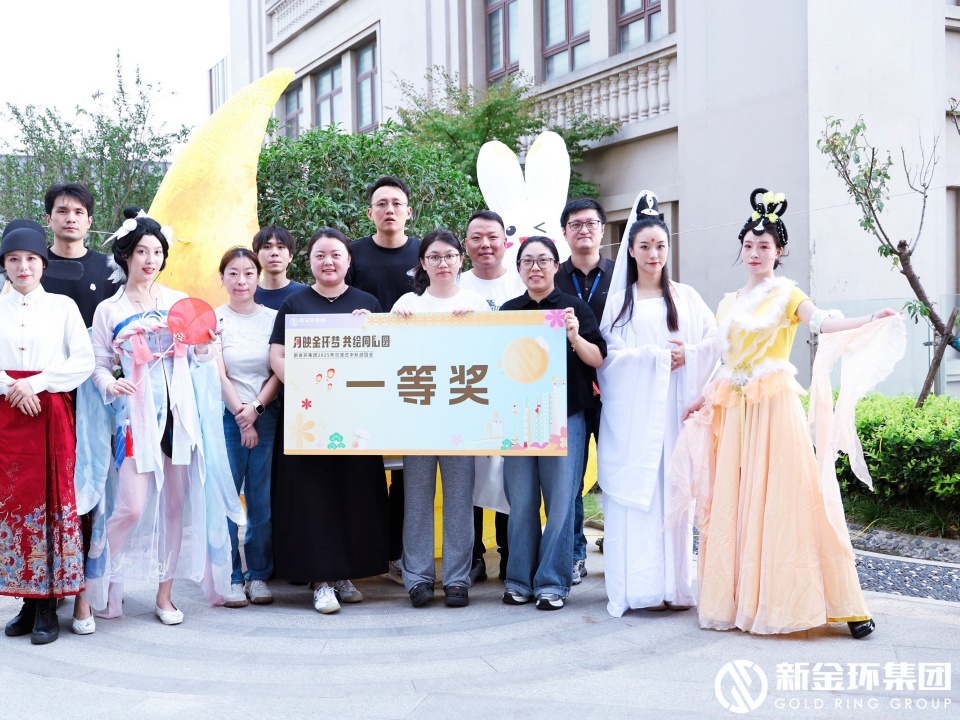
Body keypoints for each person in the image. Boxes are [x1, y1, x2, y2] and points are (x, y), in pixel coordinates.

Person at [676, 189, 900, 638]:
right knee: (736, 502)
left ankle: (843, 605)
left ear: (779, 251)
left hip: (774, 408)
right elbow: (725, 359)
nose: (755, 253)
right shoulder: (728, 301)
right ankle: (742, 600)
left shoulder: (788, 294)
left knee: (792, 499)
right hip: (734, 412)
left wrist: (867, 320)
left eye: (764, 246)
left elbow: (823, 323)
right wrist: (702, 396)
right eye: (749, 245)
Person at [86, 208, 242, 625]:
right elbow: (98, 365)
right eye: (141, 251)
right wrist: (110, 384)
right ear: (126, 255)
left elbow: (200, 357)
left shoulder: (177, 301)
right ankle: (99, 585)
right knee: (130, 507)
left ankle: (165, 595)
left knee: (175, 506)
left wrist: (208, 345)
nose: (150, 259)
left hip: (179, 415)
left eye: (157, 252)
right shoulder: (109, 310)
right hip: (135, 418)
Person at [596, 191, 717, 617]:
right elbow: (609, 359)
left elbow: (716, 343)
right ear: (630, 249)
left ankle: (675, 588)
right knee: (640, 500)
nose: (653, 254)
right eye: (644, 246)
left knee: (674, 495)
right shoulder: (619, 303)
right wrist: (656, 357)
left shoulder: (687, 298)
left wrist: (689, 354)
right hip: (637, 417)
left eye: (660, 246)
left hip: (676, 414)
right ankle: (640, 589)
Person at [269, 228, 389, 614]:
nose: (328, 262)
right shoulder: (294, 303)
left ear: (348, 260)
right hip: (307, 417)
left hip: (353, 417)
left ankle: (344, 574)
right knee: (313, 498)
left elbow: (385, 356)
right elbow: (277, 356)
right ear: (309, 262)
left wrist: (371, 328)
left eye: (336, 254)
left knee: (352, 494)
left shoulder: (367, 303)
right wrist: (308, 385)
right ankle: (321, 581)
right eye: (320, 255)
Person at [0, 222, 94, 645]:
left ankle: (48, 606)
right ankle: (25, 600)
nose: (23, 266)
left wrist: (35, 384)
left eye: (31, 259)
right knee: (13, 505)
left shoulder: (62, 307)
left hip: (49, 411)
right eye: (14, 259)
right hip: (6, 414)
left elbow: (84, 361)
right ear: (4, 264)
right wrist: (11, 387)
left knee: (52, 502)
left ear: (43, 264)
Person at [500, 237, 606, 610]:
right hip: (518, 417)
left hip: (565, 415)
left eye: (543, 260)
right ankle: (518, 580)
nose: (535, 267)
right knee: (521, 501)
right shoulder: (509, 312)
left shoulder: (574, 309)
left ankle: (552, 583)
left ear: (556, 266)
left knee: (560, 502)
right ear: (518, 269)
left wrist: (574, 336)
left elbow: (597, 358)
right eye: (527, 261)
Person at [391, 229, 489, 607]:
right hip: (417, 415)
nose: (442, 263)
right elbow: (389, 354)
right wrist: (389, 322)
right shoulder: (407, 303)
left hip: (461, 415)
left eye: (449, 255)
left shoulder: (476, 303)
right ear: (422, 263)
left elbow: (492, 355)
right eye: (434, 257)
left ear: (460, 260)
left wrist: (477, 326)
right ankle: (417, 578)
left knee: (459, 500)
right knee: (416, 499)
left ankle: (456, 579)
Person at [347, 176, 422, 584]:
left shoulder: (424, 253)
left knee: (409, 472)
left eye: (396, 203)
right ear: (370, 212)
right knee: (364, 465)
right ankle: (363, 554)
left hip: (415, 377)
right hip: (367, 377)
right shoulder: (353, 254)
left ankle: (397, 554)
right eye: (381, 203)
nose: (389, 209)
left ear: (409, 211)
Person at [458, 209, 524, 583]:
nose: (485, 244)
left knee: (508, 476)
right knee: (468, 476)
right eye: (477, 237)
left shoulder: (521, 282)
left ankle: (510, 552)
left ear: (505, 242)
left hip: (512, 394)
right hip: (466, 393)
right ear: (465, 244)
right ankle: (472, 557)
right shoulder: (455, 283)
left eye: (492, 237)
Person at [215, 248, 281, 608]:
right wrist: (241, 415)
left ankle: (258, 574)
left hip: (265, 413)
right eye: (233, 273)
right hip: (227, 417)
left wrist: (255, 409)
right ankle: (231, 576)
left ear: (258, 277)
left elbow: (277, 371)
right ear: (222, 278)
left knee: (260, 499)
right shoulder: (214, 319)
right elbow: (217, 372)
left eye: (248, 273)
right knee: (227, 497)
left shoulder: (273, 318)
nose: (241, 281)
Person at [554, 198, 614, 585]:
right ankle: (576, 553)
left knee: (616, 473)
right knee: (571, 479)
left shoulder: (623, 274)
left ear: (603, 229)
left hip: (615, 390)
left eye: (590, 223)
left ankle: (619, 545)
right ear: (564, 232)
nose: (583, 230)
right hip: (569, 392)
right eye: (575, 224)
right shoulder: (553, 275)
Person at [42, 182, 123, 327]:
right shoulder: (32, 267)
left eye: (78, 212)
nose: (71, 219)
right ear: (49, 219)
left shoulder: (110, 269)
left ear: (89, 221)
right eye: (62, 211)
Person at [253, 225, 308, 311]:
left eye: (281, 247)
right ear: (256, 256)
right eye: (267, 247)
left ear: (290, 256)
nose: (274, 253)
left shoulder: (305, 294)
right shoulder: (248, 294)